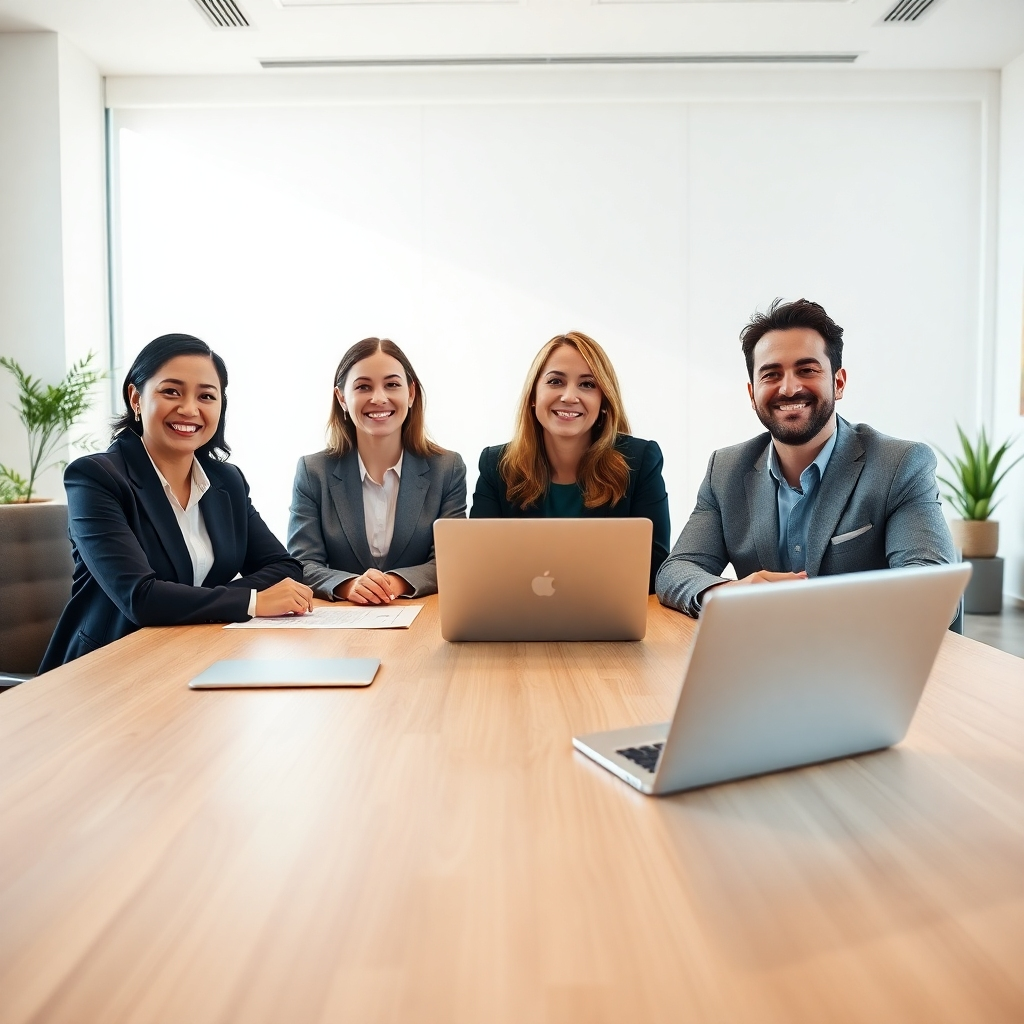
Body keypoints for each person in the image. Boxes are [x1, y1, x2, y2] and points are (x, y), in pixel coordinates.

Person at [656, 298, 955, 617]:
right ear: (752, 394)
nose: (788, 388)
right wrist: (729, 593)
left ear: (838, 383)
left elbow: (933, 588)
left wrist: (815, 609)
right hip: (762, 646)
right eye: (771, 374)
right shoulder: (725, 470)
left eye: (807, 370)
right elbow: (676, 570)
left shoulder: (900, 465)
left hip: (863, 645)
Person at [39, 334, 311, 672]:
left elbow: (285, 568)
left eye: (206, 396)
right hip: (110, 666)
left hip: (198, 653)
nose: (189, 409)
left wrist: (194, 601)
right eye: (171, 391)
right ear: (136, 398)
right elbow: (141, 598)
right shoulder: (95, 478)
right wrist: (251, 600)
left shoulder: (227, 481)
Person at [470, 331, 670, 592]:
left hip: (605, 610)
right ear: (533, 396)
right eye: (555, 381)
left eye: (587, 385)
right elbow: (479, 565)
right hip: (518, 610)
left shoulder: (640, 460)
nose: (569, 396)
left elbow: (655, 569)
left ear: (604, 401)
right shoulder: (496, 465)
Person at [288, 337, 466, 604]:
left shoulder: (447, 469)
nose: (379, 398)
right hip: (341, 621)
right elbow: (302, 563)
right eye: (363, 387)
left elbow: (450, 560)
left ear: (411, 393)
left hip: (421, 618)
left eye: (392, 385)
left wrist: (393, 583)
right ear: (342, 398)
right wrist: (349, 585)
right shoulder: (313, 472)